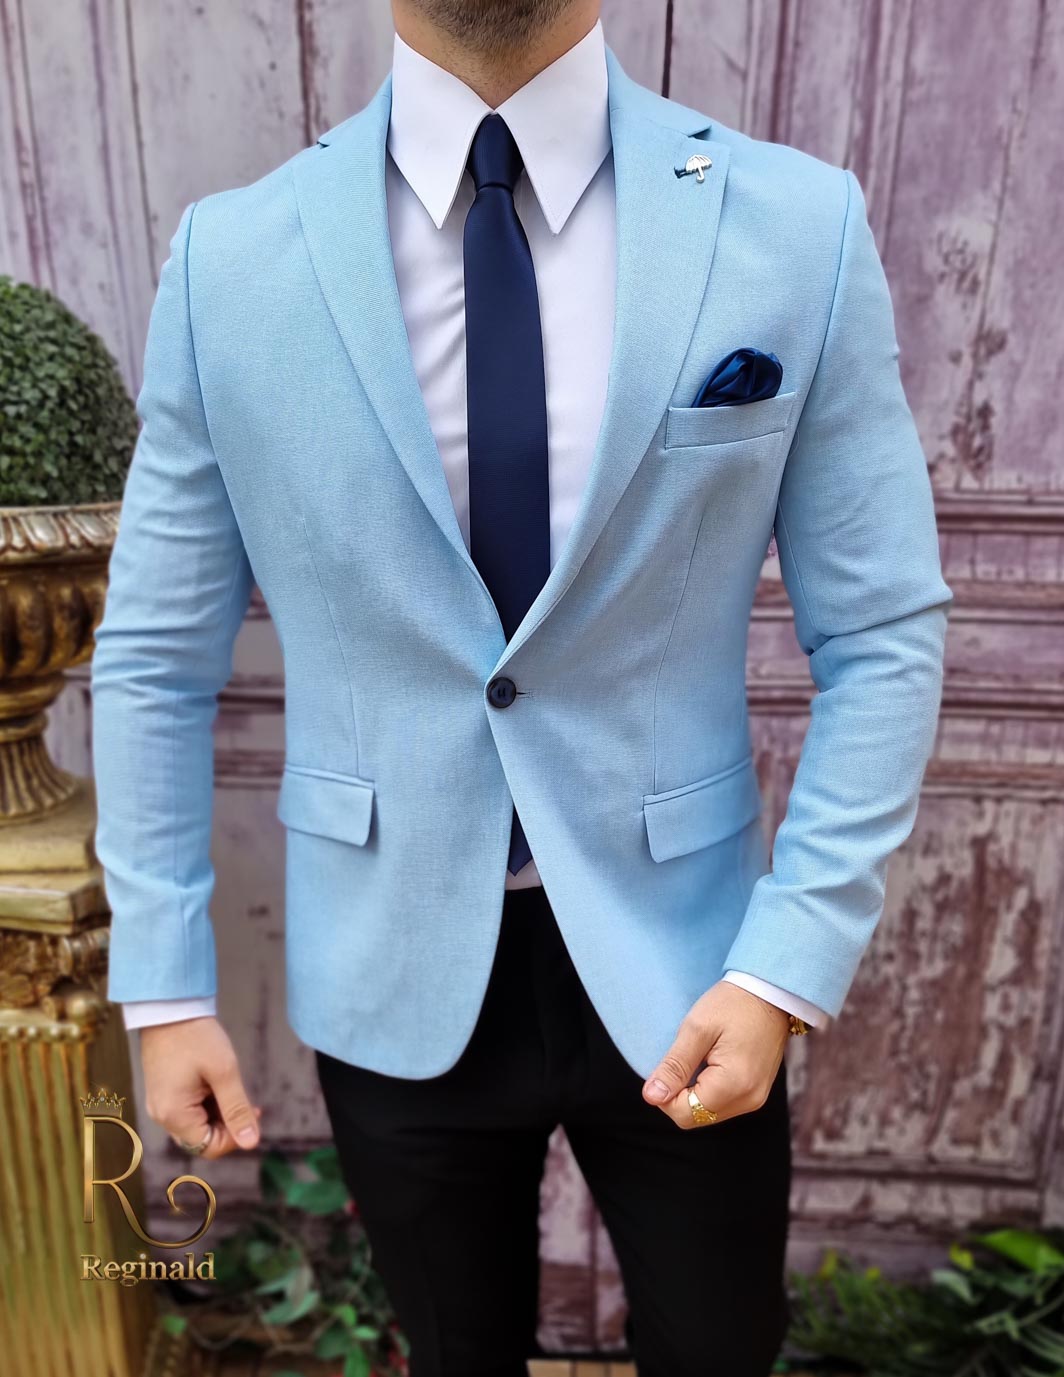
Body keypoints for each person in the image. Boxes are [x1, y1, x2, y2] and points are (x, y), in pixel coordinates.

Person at [90, 1, 953, 1373]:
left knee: (722, 1348)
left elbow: (885, 629)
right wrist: (164, 983)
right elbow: (152, 655)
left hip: (694, 962)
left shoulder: (796, 227)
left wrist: (788, 962)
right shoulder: (232, 261)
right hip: (390, 956)